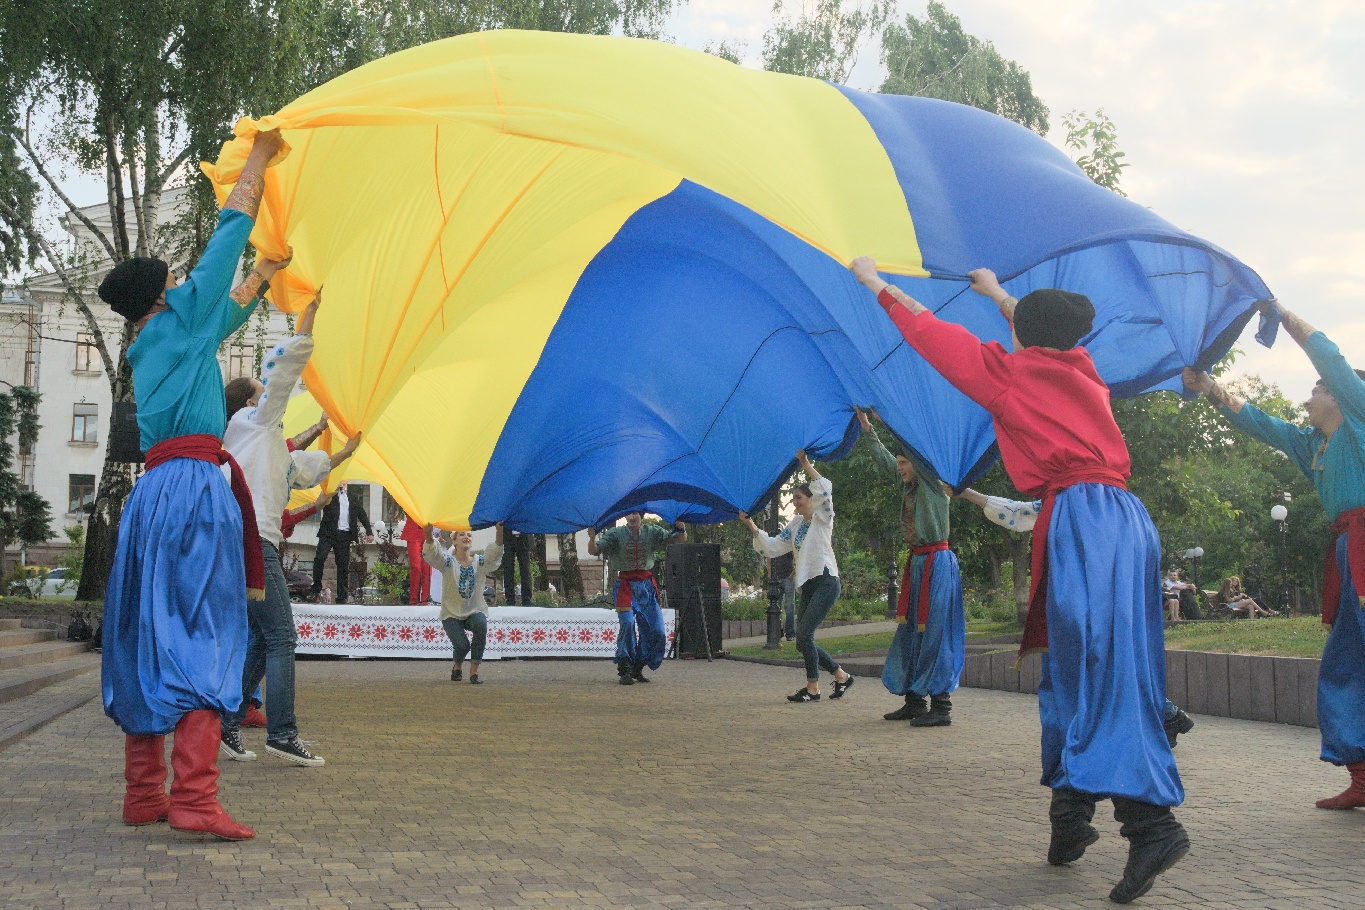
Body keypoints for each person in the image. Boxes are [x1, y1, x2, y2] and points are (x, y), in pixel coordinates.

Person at [851, 257, 1185, 904]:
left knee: (1093, 670)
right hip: (1121, 519)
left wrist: (874, 283)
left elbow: (931, 337)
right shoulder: (1079, 367)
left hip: (1083, 520)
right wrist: (999, 293)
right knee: (1072, 667)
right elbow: (1036, 330)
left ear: (1023, 338)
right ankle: (1070, 816)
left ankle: (1152, 826)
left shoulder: (1010, 375)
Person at [98, 128, 286, 841]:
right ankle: (195, 800)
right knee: (205, 630)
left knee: (147, 631)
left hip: (151, 497)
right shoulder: (182, 321)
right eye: (173, 279)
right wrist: (260, 156)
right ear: (160, 295)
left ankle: (144, 793)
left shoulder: (156, 340)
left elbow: (226, 308)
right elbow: (224, 237)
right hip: (193, 492)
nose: (183, 280)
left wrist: (264, 272)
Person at [1186, 318, 1365, 810]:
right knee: (1345, 661)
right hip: (1347, 548)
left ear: (1341, 395)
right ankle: (1362, 775)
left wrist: (1280, 313)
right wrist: (1210, 389)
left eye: (1316, 391)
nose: (1307, 401)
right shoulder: (1314, 445)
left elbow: (1330, 359)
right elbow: (1262, 423)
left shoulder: (1360, 419)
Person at [219, 293, 361, 768]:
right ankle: (281, 733)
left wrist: (344, 452)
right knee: (283, 637)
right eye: (261, 394)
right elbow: (280, 379)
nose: (270, 398)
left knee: (264, 639)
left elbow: (300, 469)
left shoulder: (263, 444)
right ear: (250, 403)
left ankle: (227, 724)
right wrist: (309, 320)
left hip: (249, 545)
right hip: (255, 544)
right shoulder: (251, 423)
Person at [958, 488, 1196, 750]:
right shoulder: (1081, 503)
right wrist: (968, 493)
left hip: (1100, 603)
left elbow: (1021, 512)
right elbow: (1019, 512)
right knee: (1106, 664)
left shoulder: (1082, 503)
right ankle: (1162, 717)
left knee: (1106, 664)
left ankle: (1162, 716)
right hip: (1091, 602)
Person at [858, 409, 963, 727]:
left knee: (935, 633)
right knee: (911, 633)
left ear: (917, 463)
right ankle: (915, 701)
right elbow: (883, 459)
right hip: (918, 563)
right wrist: (866, 426)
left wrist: (888, 419)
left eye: (905, 462)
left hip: (937, 564)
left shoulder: (932, 484)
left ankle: (941, 707)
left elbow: (915, 451)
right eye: (900, 463)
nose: (900, 467)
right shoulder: (909, 486)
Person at [741, 451, 856, 703]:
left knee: (803, 635)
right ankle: (841, 676)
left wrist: (805, 464)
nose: (795, 502)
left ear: (811, 498)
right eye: (793, 498)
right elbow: (773, 547)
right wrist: (750, 524)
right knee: (802, 642)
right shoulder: (795, 525)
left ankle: (813, 688)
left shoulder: (823, 517)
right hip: (808, 584)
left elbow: (825, 491)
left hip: (826, 581)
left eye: (799, 498)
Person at [588, 512, 684, 684]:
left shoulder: (652, 532)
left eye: (635, 514)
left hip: (646, 587)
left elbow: (679, 539)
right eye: (628, 514)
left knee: (657, 630)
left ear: (641, 515)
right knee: (627, 623)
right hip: (625, 586)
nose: (631, 518)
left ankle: (638, 666)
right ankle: (624, 668)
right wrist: (591, 538)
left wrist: (681, 527)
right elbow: (594, 550)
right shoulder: (616, 534)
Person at [426, 525, 504, 684]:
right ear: (454, 541)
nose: (466, 537)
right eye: (462, 535)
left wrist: (499, 530)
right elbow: (433, 555)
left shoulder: (479, 563)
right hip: (451, 614)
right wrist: (428, 533)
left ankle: (474, 672)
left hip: (473, 610)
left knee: (481, 624)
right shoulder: (448, 562)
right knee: (462, 646)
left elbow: (494, 553)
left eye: (469, 535)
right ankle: (457, 666)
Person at [310, 481, 373, 603]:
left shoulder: (353, 497)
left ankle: (342, 597)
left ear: (347, 482)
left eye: (343, 480)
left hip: (345, 535)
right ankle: (315, 589)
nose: (341, 482)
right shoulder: (329, 494)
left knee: (343, 566)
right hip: (328, 533)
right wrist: (333, 491)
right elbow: (319, 503)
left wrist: (369, 532)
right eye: (339, 479)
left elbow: (361, 514)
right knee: (319, 558)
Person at [401, 511, 433, 605]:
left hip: (427, 534)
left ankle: (425, 600)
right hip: (413, 533)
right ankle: (413, 600)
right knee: (416, 567)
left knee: (427, 568)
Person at [501, 530, 534, 605]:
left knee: (525, 570)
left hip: (524, 538)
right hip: (508, 538)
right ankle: (509, 600)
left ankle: (527, 600)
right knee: (508, 570)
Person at [771, 551, 796, 641]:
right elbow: (769, 560)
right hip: (776, 579)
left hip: (788, 577)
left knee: (789, 606)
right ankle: (778, 631)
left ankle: (789, 633)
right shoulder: (774, 546)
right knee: (776, 606)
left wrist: (793, 574)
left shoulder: (788, 545)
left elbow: (798, 557)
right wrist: (771, 577)